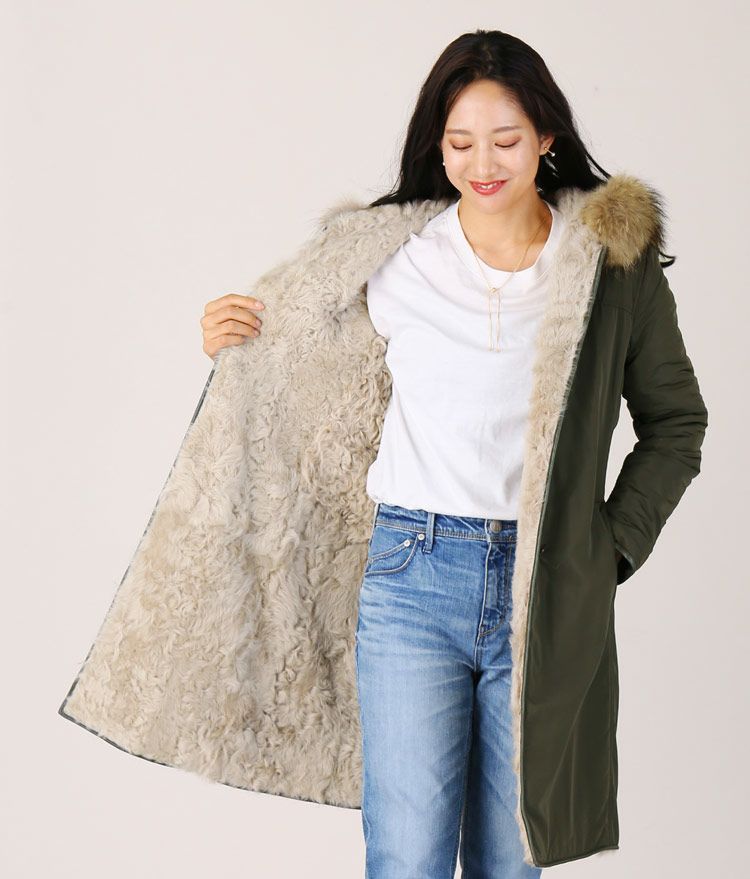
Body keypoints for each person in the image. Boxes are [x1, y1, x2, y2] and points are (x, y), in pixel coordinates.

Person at [60, 29, 707, 877]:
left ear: (547, 137)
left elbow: (676, 423)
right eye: (460, 142)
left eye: (506, 140)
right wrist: (230, 339)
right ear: (437, 146)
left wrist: (607, 548)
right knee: (405, 858)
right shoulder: (389, 256)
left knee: (512, 862)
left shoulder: (607, 266)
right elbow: (292, 360)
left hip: (546, 589)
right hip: (412, 577)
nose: (483, 163)